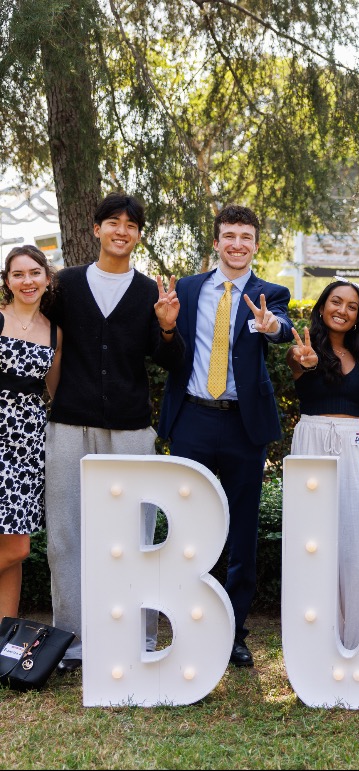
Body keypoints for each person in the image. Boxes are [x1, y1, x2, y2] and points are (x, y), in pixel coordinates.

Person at [46, 193, 183, 674]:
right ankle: (72, 640)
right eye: (113, 222)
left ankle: (136, 635)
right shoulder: (64, 285)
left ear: (138, 235)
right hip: (68, 425)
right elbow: (41, 339)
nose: (121, 231)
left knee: (136, 537)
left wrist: (167, 328)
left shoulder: (150, 293)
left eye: (131, 224)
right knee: (66, 535)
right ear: (96, 229)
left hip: (130, 428)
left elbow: (171, 361)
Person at [158, 204, 293, 668]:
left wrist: (273, 326)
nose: (237, 244)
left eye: (245, 237)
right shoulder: (188, 288)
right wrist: (166, 328)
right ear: (216, 242)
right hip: (192, 418)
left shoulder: (270, 292)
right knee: (188, 526)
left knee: (242, 529)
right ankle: (186, 622)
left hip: (243, 425)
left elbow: (281, 328)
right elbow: (168, 352)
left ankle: (233, 630)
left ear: (256, 245)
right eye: (229, 236)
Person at [286, 279, 359, 650]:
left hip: (358, 444)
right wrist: (305, 360)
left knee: (356, 539)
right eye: (336, 302)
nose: (342, 310)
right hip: (312, 442)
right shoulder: (303, 346)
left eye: (352, 306)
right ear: (322, 306)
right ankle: (314, 636)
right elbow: (296, 359)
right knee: (311, 540)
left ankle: (356, 633)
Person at [0, 246, 62, 619]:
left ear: (47, 279)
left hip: (27, 448)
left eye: (35, 273)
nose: (28, 281)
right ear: (7, 281)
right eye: (18, 274)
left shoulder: (54, 332)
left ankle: (3, 637)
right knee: (12, 548)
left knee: (16, 548)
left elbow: (56, 394)